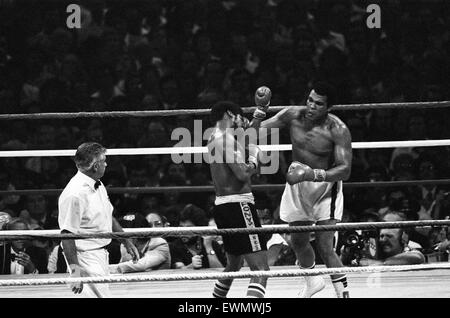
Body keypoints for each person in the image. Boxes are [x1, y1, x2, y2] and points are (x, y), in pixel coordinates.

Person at [253, 82, 352, 298]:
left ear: (328, 107)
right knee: (298, 240)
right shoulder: (292, 115)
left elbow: (345, 170)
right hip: (298, 183)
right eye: (309, 100)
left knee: (326, 247)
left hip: (326, 186)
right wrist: (260, 111)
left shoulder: (338, 129)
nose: (311, 106)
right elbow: (255, 133)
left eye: (318, 103)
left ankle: (344, 294)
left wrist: (312, 174)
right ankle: (313, 282)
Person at [58, 142, 140, 298]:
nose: (106, 164)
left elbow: (108, 215)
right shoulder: (75, 194)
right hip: (84, 257)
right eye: (103, 160)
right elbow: (67, 235)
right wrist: (75, 271)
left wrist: (125, 240)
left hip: (100, 254)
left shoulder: (98, 184)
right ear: (95, 166)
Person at [207, 99, 270, 298]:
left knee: (234, 265)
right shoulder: (224, 140)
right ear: (229, 114)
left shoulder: (216, 138)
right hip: (239, 205)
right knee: (261, 269)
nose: (241, 121)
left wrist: (258, 117)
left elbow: (246, 139)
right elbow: (242, 173)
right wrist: (254, 159)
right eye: (238, 116)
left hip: (224, 206)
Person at [169, 204, 226, 270]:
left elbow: (220, 272)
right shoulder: (174, 246)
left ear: (199, 228)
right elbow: (178, 270)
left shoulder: (213, 244)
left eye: (189, 228)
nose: (184, 232)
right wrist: (191, 266)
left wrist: (208, 247)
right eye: (181, 227)